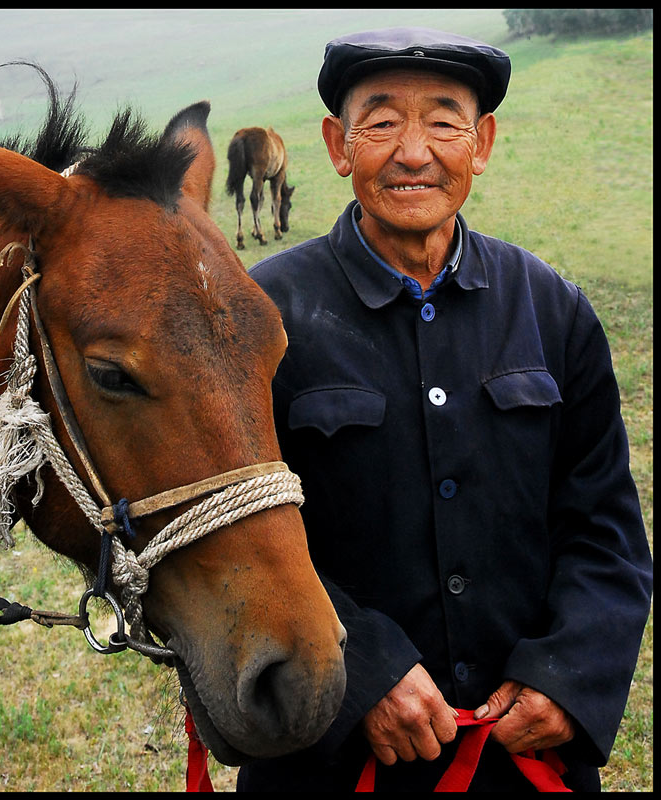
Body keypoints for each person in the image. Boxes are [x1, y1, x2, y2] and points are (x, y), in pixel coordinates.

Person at [237, 27, 652, 792]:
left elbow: (604, 529)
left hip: (521, 765)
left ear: (482, 142)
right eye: (383, 121)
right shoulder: (261, 319)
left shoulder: (553, 310)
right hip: (330, 763)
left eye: (444, 121)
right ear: (337, 144)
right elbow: (232, 549)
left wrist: (567, 676)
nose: (414, 151)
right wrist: (359, 674)